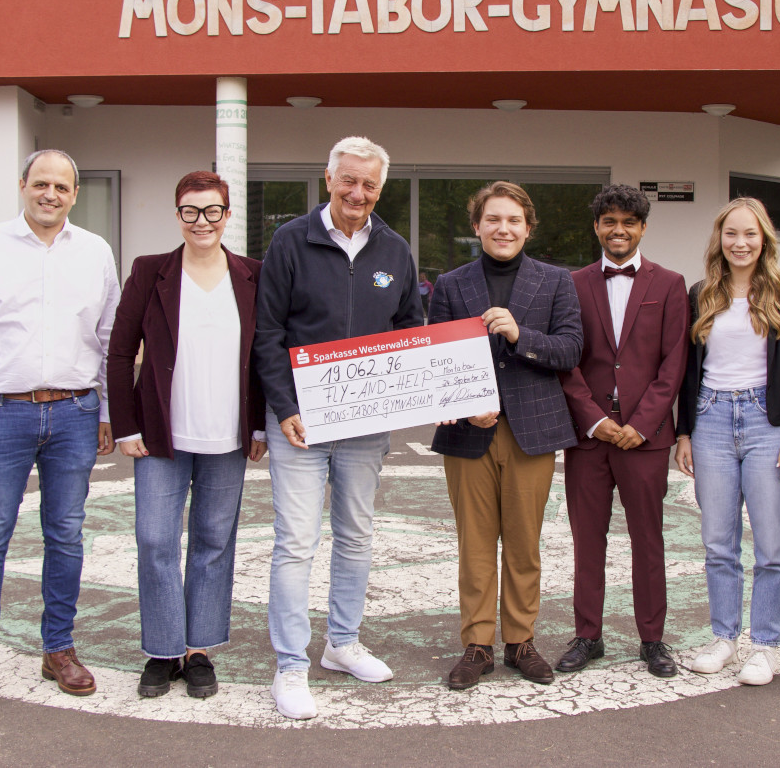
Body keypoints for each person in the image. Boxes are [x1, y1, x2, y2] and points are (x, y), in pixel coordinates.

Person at [0, 149, 120, 711]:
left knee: (66, 533)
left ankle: (58, 648)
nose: (50, 195)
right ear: (22, 186)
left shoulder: (95, 252)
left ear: (74, 194)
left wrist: (110, 411)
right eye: (41, 184)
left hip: (75, 414)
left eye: (61, 187)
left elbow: (111, 338)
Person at [254, 136, 423, 720]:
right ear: (328, 179)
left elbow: (409, 329)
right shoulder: (289, 241)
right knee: (296, 543)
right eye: (348, 181)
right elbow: (268, 332)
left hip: (365, 423)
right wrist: (283, 407)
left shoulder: (396, 250)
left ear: (381, 187)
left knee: (355, 536)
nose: (358, 193)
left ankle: (342, 644)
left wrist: (409, 394)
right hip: (300, 420)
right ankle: (291, 665)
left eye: (369, 185)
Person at [107, 171, 266, 699]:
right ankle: (162, 650)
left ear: (226, 215)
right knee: (155, 540)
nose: (202, 221)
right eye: (191, 211)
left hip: (227, 435)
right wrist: (125, 423)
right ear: (178, 216)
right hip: (160, 434)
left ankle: (197, 651)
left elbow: (265, 355)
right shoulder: (150, 272)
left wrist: (262, 422)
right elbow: (119, 351)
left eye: (212, 211)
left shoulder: (253, 275)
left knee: (212, 543)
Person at [430, 181, 583, 690]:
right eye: (493, 219)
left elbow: (569, 350)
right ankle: (477, 644)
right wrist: (465, 405)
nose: (503, 228)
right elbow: (436, 360)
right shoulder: (451, 284)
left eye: (514, 220)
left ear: (528, 227)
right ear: (477, 226)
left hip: (532, 431)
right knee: (474, 545)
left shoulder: (556, 281)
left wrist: (520, 336)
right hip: (469, 435)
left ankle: (520, 641)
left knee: (523, 544)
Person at [673, 198, 780, 685]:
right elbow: (686, 371)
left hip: (765, 422)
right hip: (710, 419)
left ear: (764, 239)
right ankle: (724, 639)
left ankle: (766, 645)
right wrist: (683, 431)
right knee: (718, 543)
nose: (740, 243)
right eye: (731, 233)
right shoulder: (700, 293)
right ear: (720, 239)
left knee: (772, 544)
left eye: (750, 234)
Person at [558, 184, 689, 679]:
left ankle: (652, 639)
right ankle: (587, 635)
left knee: (647, 539)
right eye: (609, 221)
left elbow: (674, 362)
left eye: (628, 222)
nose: (619, 230)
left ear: (643, 228)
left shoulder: (670, 283)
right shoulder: (571, 284)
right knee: (587, 539)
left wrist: (640, 424)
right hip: (589, 437)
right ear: (597, 227)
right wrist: (595, 420)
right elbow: (567, 361)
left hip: (646, 439)